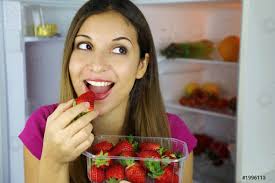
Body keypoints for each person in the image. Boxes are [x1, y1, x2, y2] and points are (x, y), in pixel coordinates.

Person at [19, 0, 197, 182]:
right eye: (85, 46)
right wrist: (55, 162)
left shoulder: (173, 134)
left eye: (119, 49)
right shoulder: (43, 127)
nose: (97, 65)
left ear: (141, 65)